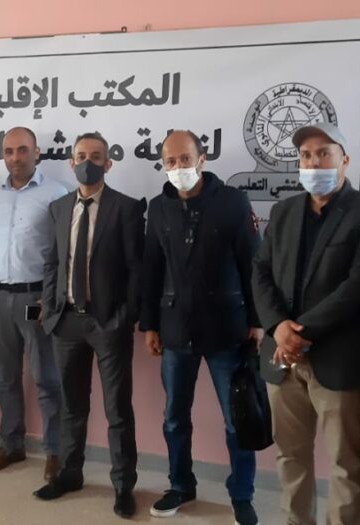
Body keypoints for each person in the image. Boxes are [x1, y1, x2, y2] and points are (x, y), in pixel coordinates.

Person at [251, 122, 360, 524]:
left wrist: (299, 333)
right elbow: (260, 271)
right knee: (290, 455)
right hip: (282, 357)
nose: (314, 162)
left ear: (344, 159)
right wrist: (278, 326)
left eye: (323, 153)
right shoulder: (283, 211)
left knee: (345, 461)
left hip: (340, 357)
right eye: (306, 155)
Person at [140, 130, 261, 523]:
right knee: (175, 417)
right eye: (170, 161)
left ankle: (241, 494)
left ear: (202, 159)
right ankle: (180, 485)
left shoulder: (232, 201)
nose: (178, 167)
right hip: (175, 330)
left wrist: (257, 321)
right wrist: (149, 325)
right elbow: (151, 270)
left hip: (228, 330)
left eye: (185, 159)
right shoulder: (158, 208)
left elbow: (252, 263)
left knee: (236, 421)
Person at [32, 132, 144, 519]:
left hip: (107, 323)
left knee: (117, 410)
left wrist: (123, 317)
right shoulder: (59, 208)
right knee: (71, 406)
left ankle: (122, 485)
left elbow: (136, 270)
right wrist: (50, 307)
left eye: (96, 156)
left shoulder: (127, 208)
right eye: (81, 156)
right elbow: (52, 262)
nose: (88, 163)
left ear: (108, 163)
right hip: (66, 322)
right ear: (71, 162)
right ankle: (70, 474)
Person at [0, 127, 66, 480]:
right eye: (9, 151)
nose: (16, 157)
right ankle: (11, 444)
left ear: (37, 153)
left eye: (23, 150)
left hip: (38, 298)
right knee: (5, 377)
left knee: (46, 378)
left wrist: (53, 295)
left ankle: (55, 452)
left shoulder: (56, 193)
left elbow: (64, 251)